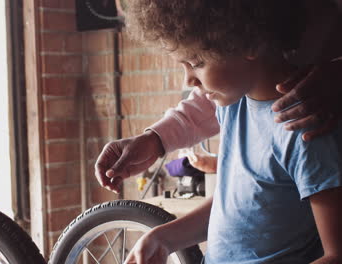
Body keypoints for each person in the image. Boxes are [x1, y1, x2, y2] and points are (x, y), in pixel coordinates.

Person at [94, 0, 342, 263]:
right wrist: (163, 238)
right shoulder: (232, 106)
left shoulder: (304, 132)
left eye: (196, 62)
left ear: (248, 43)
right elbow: (240, 208)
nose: (188, 81)